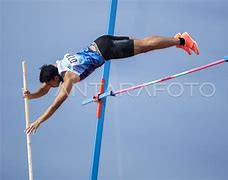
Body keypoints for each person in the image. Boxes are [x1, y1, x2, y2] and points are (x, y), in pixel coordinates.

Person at [23, 32, 200, 135]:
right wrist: (31, 96)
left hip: (106, 51)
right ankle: (176, 39)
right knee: (144, 44)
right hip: (100, 41)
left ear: (55, 78)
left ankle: (181, 40)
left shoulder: (68, 78)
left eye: (51, 84)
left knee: (146, 46)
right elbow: (44, 89)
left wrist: (39, 121)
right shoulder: (57, 67)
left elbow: (55, 105)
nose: (51, 87)